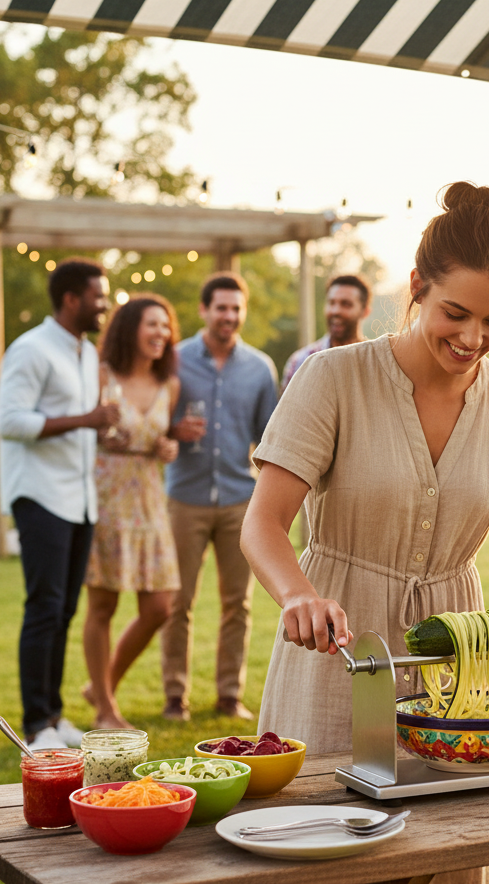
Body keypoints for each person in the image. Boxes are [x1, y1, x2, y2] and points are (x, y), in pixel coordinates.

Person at [240, 182, 489, 758]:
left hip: (459, 665)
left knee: (451, 828)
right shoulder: (332, 377)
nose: (472, 339)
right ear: (415, 289)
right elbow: (262, 524)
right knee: (324, 822)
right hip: (338, 652)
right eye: (454, 314)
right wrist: (298, 597)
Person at [0, 257, 117, 749]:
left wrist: (98, 426)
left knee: (65, 608)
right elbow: (10, 421)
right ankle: (36, 725)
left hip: (79, 499)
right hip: (41, 496)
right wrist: (86, 419)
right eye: (98, 296)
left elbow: (78, 422)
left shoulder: (86, 352)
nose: (105, 305)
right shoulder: (31, 349)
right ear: (71, 299)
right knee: (44, 608)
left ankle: (55, 713)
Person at [161, 272, 278, 722]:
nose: (229, 316)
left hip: (238, 500)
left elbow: (268, 437)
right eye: (221, 308)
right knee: (177, 602)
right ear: (204, 310)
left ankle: (229, 696)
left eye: (236, 308)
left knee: (238, 604)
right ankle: (176, 697)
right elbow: (152, 421)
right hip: (184, 498)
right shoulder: (173, 360)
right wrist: (172, 429)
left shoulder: (259, 368)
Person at [80, 295, 182, 730]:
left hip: (149, 500)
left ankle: (101, 684)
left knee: (160, 606)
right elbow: (82, 430)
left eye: (166, 326)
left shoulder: (169, 385)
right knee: (102, 604)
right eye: (152, 325)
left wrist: (168, 446)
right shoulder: (99, 375)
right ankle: (105, 708)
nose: (161, 333)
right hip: (105, 499)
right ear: (128, 328)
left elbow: (163, 439)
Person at [279, 274, 371, 393]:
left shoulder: (374, 363)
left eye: (346, 304)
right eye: (331, 303)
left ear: (365, 312)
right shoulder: (301, 361)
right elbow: (286, 410)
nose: (336, 311)